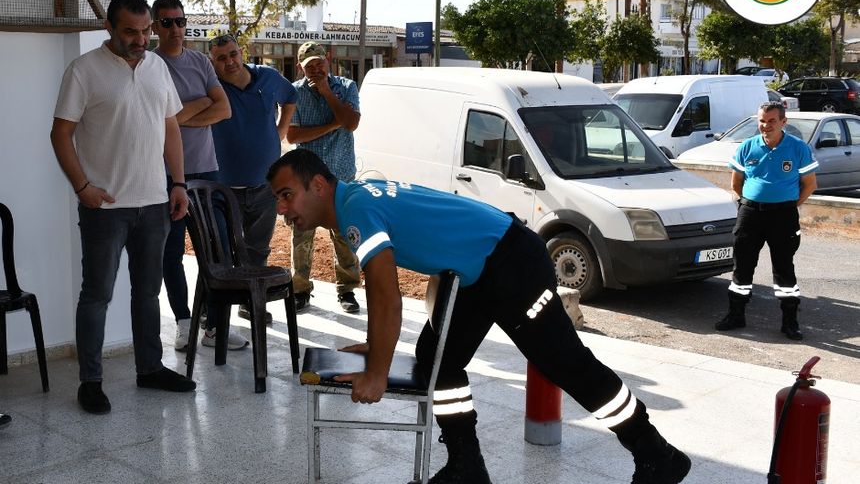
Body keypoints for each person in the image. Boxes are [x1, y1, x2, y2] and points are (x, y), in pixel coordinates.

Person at [267, 150, 691, 484]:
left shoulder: (355, 210)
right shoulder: (356, 198)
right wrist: (379, 347)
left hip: (511, 262)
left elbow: (384, 294)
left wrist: (377, 371)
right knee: (438, 356)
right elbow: (389, 290)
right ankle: (466, 466)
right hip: (479, 267)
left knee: (568, 365)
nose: (283, 209)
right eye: (277, 200)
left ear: (319, 184)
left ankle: (656, 454)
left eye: (287, 194)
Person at [50, 0, 196, 415]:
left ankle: (149, 369)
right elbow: (60, 134)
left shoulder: (156, 68)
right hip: (104, 207)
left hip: (153, 202)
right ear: (108, 28)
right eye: (131, 32)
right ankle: (90, 382)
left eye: (147, 30)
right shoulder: (83, 70)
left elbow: (170, 128)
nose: (142, 39)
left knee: (148, 293)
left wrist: (179, 183)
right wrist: (82, 187)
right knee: (96, 295)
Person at [151, 0, 248, 352]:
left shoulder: (201, 62)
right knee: (170, 253)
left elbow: (222, 109)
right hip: (165, 174)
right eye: (166, 23)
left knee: (217, 250)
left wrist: (177, 116)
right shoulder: (149, 65)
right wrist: (197, 106)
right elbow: (158, 119)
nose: (175, 29)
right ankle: (183, 321)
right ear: (154, 26)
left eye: (179, 21)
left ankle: (215, 325)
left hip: (207, 171)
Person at [208, 33, 297, 325]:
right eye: (221, 58)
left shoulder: (268, 78)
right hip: (221, 189)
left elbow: (291, 98)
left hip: (264, 186)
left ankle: (250, 301)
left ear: (241, 53)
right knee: (219, 252)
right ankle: (215, 314)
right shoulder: (211, 85)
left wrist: (281, 130)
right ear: (213, 61)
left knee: (257, 249)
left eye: (233, 54)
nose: (229, 61)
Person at [715, 101, 818, 340]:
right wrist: (750, 203)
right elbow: (736, 183)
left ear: (784, 122)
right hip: (750, 213)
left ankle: (790, 322)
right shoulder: (747, 147)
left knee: (784, 269)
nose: (765, 125)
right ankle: (735, 315)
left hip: (783, 215)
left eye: (772, 121)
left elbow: (810, 185)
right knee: (742, 266)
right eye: (762, 120)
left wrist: (789, 205)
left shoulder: (798, 148)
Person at [285, 41, 362, 314]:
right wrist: (332, 125)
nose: (316, 69)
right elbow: (293, 136)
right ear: (300, 67)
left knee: (344, 236)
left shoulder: (346, 87)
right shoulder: (294, 93)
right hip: (305, 179)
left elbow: (351, 123)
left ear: (328, 59)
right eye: (309, 66)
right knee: (302, 236)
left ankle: (347, 290)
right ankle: (299, 290)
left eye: (319, 63)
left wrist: (327, 92)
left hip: (340, 177)